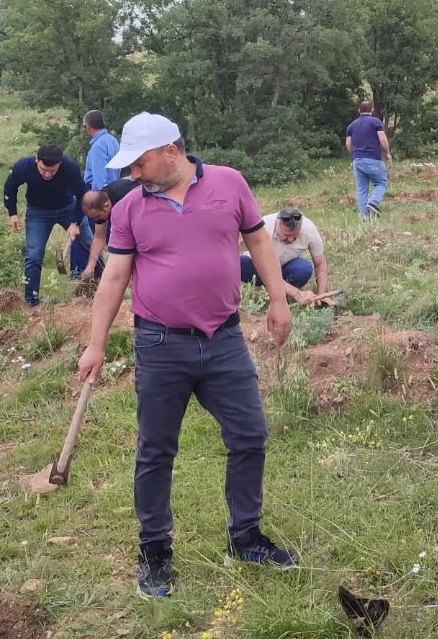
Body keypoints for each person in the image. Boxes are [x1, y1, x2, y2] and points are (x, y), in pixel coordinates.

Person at [77, 112, 296, 599]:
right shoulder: (130, 207)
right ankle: (154, 549)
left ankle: (246, 537)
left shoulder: (228, 183)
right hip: (160, 344)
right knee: (155, 450)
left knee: (249, 436)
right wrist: (95, 344)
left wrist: (279, 299)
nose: (132, 174)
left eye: (139, 162)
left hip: (224, 340)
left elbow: (258, 239)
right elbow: (113, 279)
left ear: (171, 151)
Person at [4, 145, 86, 306]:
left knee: (89, 243)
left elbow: (82, 195)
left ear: (60, 164)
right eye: (43, 170)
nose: (47, 174)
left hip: (68, 208)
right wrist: (12, 213)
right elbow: (10, 186)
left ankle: (99, 285)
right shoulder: (24, 166)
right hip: (38, 212)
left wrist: (75, 222)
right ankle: (31, 301)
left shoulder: (70, 168)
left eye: (52, 170)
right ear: (37, 160)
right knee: (33, 256)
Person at [240, 207, 334, 305]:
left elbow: (320, 264)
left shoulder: (309, 230)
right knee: (238, 263)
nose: (290, 239)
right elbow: (266, 271)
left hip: (285, 267)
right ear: (276, 224)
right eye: (286, 235)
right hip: (259, 269)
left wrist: (322, 295)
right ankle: (280, 291)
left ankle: (285, 291)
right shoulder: (263, 228)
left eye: (295, 236)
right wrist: (297, 294)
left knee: (303, 268)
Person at [70, 110, 122, 278]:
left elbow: (98, 178)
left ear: (87, 126)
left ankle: (80, 272)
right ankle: (100, 271)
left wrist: (94, 200)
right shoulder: (112, 141)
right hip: (112, 191)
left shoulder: (98, 146)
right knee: (104, 236)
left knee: (85, 233)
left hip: (97, 195)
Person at [75, 176, 140, 297]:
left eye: (98, 216)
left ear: (106, 206)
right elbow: (99, 237)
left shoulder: (126, 195)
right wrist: (90, 266)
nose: (97, 220)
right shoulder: (102, 202)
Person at [346, 101, 392, 221]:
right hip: (373, 159)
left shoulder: (351, 126)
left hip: (357, 160)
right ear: (371, 110)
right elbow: (382, 139)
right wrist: (387, 153)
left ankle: (365, 218)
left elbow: (348, 145)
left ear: (358, 111)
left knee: (361, 190)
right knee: (381, 183)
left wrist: (355, 155)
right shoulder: (376, 122)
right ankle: (373, 202)